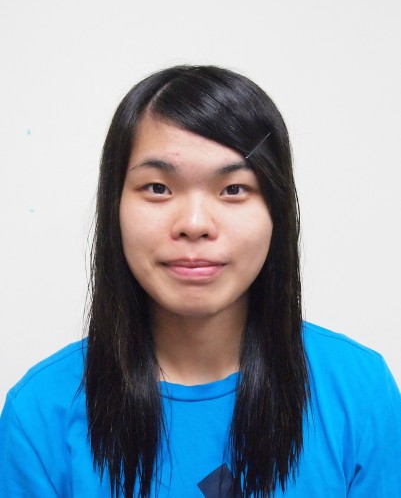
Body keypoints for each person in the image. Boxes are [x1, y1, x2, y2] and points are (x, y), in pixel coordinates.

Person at [0, 65, 400, 498]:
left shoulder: (359, 392)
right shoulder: (40, 415)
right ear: (114, 206)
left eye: (233, 189)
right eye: (158, 188)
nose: (194, 224)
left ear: (277, 212)